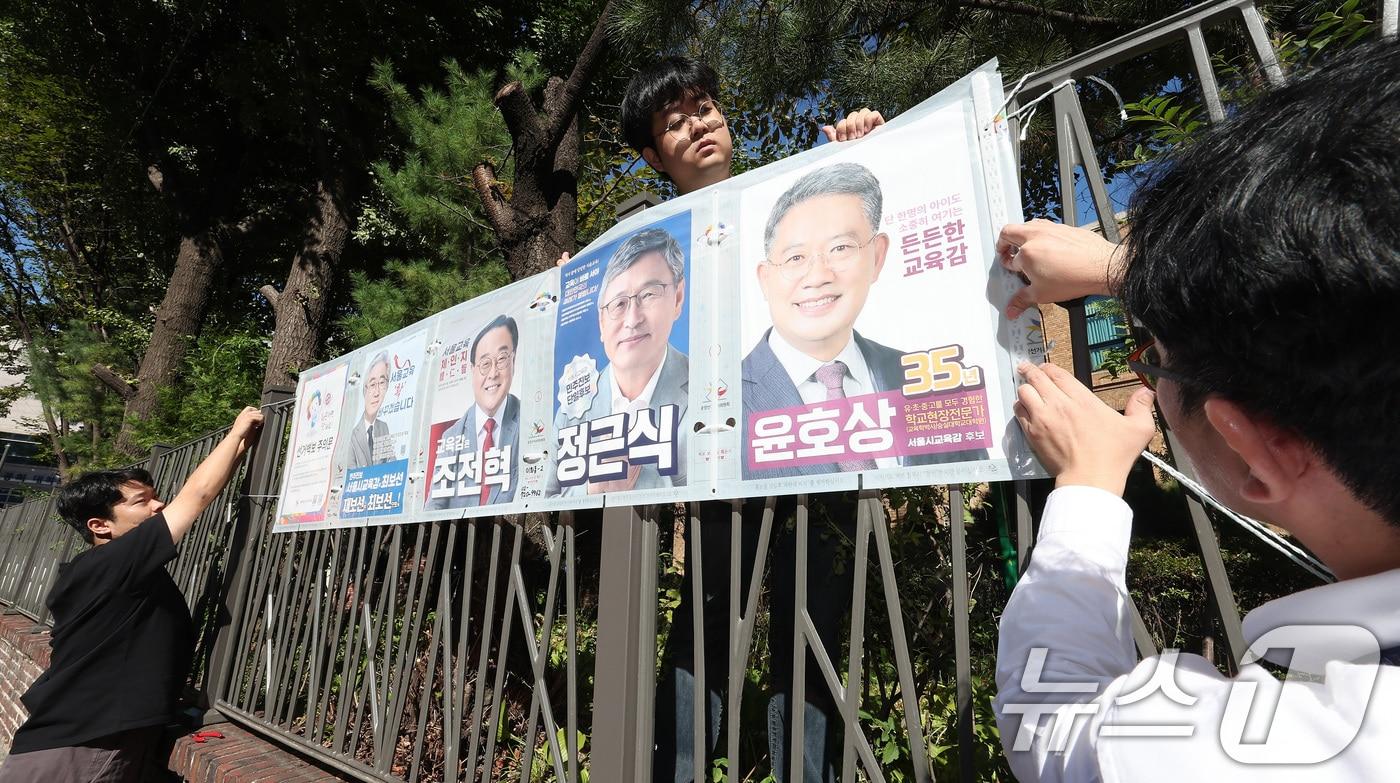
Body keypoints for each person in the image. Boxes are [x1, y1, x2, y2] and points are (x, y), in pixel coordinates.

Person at [992, 39, 1400, 781]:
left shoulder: (1296, 751)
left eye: (1153, 356)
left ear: (1258, 448)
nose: (1148, 363)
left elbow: (1054, 723)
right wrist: (1126, 272)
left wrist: (1087, 485)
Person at [592, 55, 883, 783]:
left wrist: (864, 145)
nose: (699, 126)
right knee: (704, 622)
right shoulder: (644, 244)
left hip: (814, 441)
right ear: (654, 155)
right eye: (674, 121)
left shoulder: (792, 200)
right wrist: (579, 278)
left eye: (706, 108)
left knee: (813, 625)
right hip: (719, 465)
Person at [0, 406, 265, 783]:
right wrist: (238, 430)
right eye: (141, 502)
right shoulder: (115, 563)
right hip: (82, 752)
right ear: (100, 525)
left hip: (71, 745)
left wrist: (241, 448)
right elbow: (198, 496)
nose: (158, 506)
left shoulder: (96, 570)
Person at [743, 161, 984, 477]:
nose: (817, 276)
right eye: (795, 258)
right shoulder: (725, 404)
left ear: (877, 256)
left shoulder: (936, 383)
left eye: (840, 247)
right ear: (765, 278)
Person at [552, 227, 691, 495]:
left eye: (649, 294)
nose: (632, 320)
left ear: (678, 297)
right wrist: (593, 489)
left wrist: (634, 480)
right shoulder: (573, 406)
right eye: (618, 304)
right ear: (601, 323)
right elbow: (544, 494)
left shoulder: (706, 389)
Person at [428, 315, 522, 509]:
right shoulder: (451, 436)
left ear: (514, 361)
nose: (493, 373)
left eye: (502, 359)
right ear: (472, 370)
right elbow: (434, 504)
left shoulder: (528, 420)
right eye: (485, 364)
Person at [348, 350, 392, 469]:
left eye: (382, 383)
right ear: (364, 388)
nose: (377, 393)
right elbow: (348, 474)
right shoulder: (351, 435)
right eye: (372, 384)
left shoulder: (383, 427)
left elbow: (392, 464)